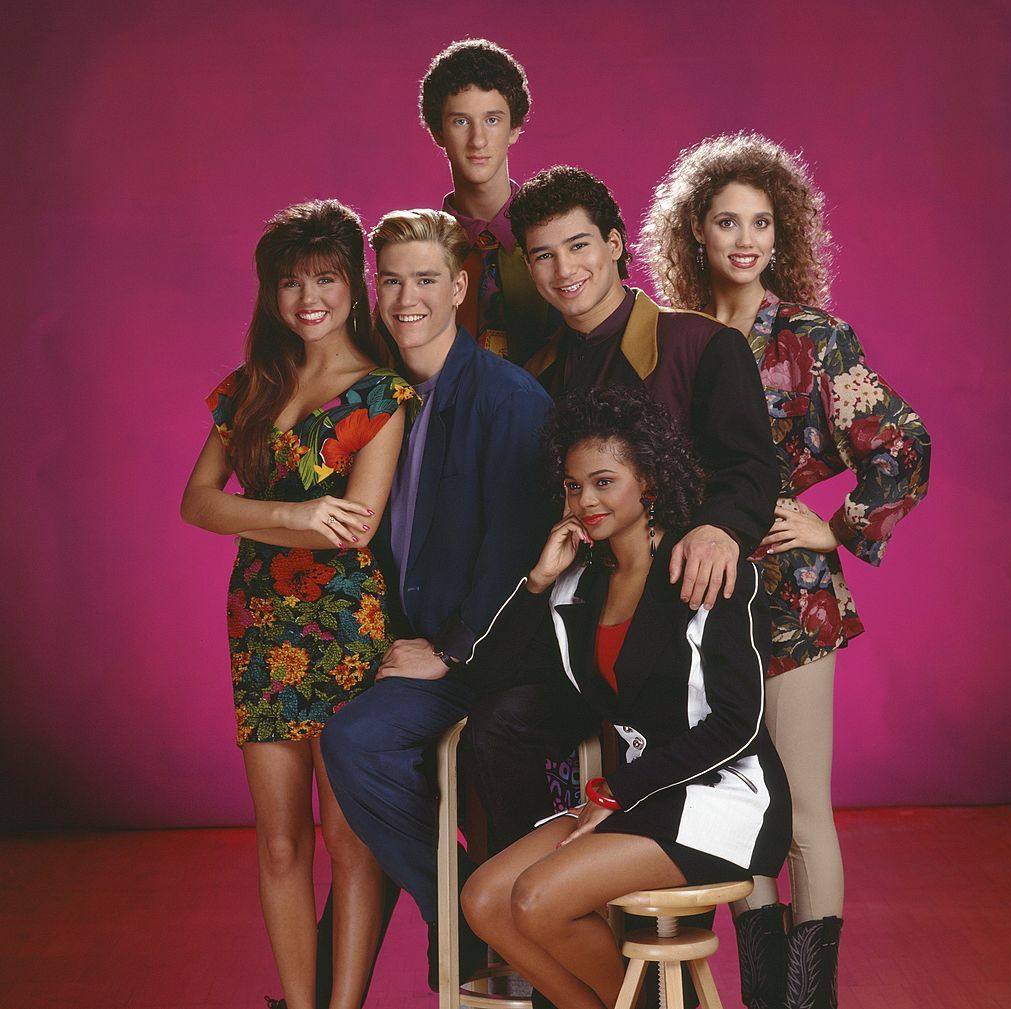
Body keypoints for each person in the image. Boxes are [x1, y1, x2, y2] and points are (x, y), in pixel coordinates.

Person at [640, 132, 931, 1008]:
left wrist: (834, 529)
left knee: (802, 813)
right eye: (727, 220)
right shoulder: (675, 337)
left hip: (796, 603)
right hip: (704, 601)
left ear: (782, 231)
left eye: (761, 222)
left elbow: (902, 444)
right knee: (743, 817)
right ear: (696, 230)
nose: (745, 239)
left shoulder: (811, 336)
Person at [465, 165, 779, 852]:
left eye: (578, 245)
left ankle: (559, 905)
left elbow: (752, 467)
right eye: (543, 255)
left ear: (614, 244)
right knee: (492, 723)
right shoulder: (538, 375)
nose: (563, 269)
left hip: (682, 624)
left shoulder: (700, 345)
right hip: (587, 630)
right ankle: (533, 914)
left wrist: (720, 529)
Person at [461, 385, 791, 1009]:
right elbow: (490, 676)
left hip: (719, 798)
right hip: (634, 794)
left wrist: (614, 792)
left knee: (535, 900)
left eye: (604, 482)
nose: (585, 501)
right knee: (484, 901)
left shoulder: (706, 569)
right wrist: (537, 581)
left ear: (650, 483)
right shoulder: (577, 591)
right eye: (572, 486)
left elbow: (736, 725)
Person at [181, 200, 415, 1009]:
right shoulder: (250, 386)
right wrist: (288, 515)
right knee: (279, 842)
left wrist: (269, 519)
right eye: (289, 283)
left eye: (324, 278)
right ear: (269, 294)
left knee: (351, 843)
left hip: (348, 630)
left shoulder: (381, 393)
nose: (307, 298)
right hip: (258, 628)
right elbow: (195, 503)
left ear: (354, 286)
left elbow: (354, 528)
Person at [318, 208, 553, 990]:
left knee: (375, 741)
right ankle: (459, 908)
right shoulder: (382, 394)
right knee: (353, 741)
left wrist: (449, 648)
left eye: (425, 279)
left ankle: (477, 920)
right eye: (391, 279)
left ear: (458, 286)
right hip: (415, 645)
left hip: (488, 655)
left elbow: (517, 551)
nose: (405, 296)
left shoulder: (508, 398)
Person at [420, 38, 558, 363]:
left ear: (514, 128)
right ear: (438, 132)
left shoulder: (559, 239)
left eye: (492, 120)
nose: (478, 139)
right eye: (461, 121)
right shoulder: (416, 252)